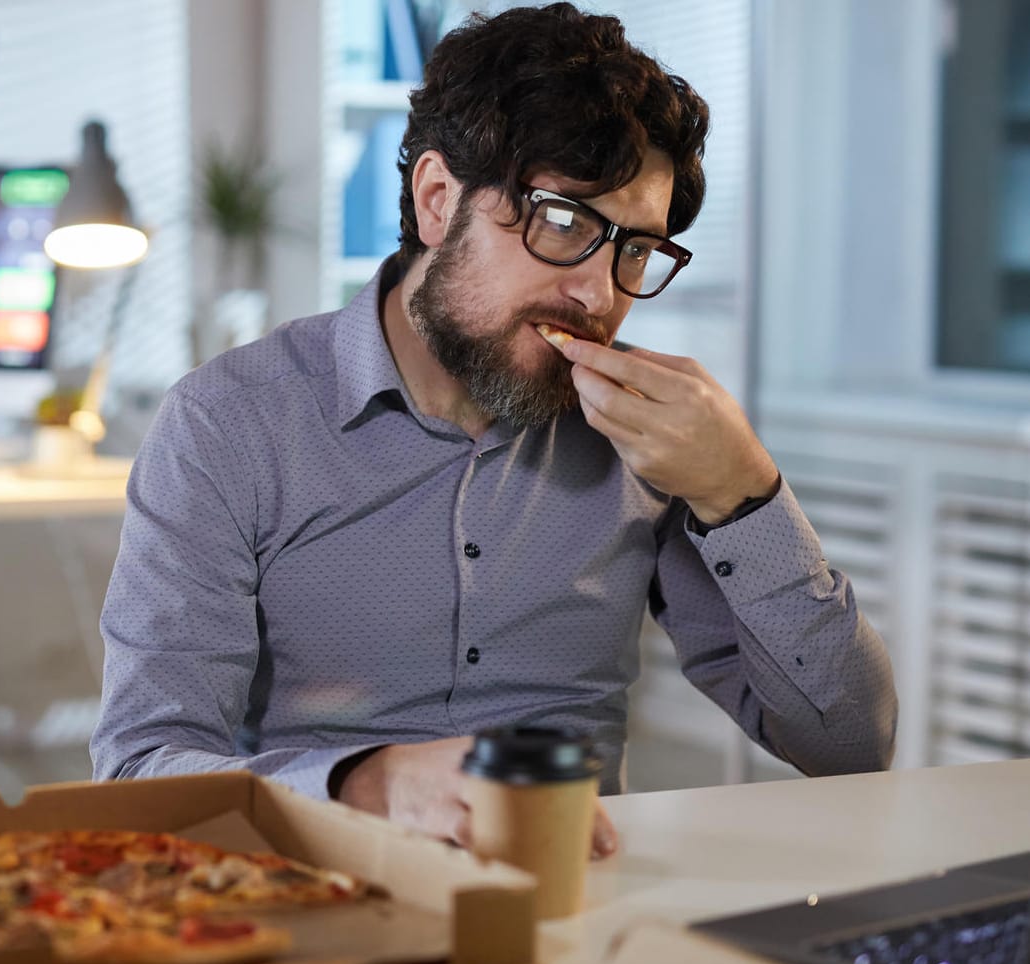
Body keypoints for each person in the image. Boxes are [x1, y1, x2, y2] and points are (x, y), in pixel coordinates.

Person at [90, 2, 896, 858]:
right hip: (303, 910)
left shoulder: (651, 440)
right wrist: (369, 783)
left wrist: (744, 493)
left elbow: (848, 746)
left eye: (633, 249)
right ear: (438, 199)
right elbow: (143, 774)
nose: (599, 293)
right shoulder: (230, 424)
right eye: (564, 222)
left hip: (577, 909)